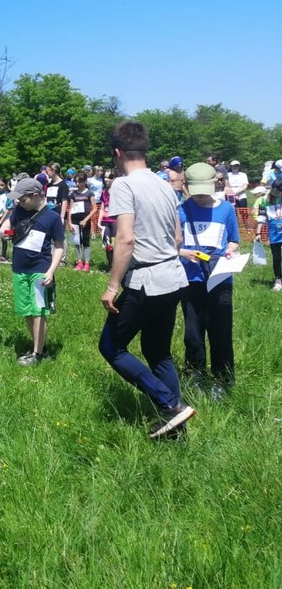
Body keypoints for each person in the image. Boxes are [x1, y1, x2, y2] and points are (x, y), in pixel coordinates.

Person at [98, 122, 194, 440]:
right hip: (173, 277)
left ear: (117, 152)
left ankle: (170, 405)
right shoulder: (164, 184)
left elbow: (125, 239)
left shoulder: (124, 186)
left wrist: (112, 286)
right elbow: (177, 238)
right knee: (158, 352)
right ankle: (175, 426)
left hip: (146, 280)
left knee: (111, 346)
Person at [178, 163, 240, 398]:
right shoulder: (181, 210)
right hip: (191, 279)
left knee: (221, 331)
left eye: (205, 191)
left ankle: (223, 379)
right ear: (187, 187)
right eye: (197, 192)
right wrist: (184, 253)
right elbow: (171, 244)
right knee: (193, 332)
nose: (201, 197)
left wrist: (229, 252)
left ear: (215, 184)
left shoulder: (226, 210)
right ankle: (195, 374)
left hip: (220, 278)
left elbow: (234, 241)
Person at [1, 178, 64, 365]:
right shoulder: (19, 211)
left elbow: (59, 246)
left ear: (36, 195)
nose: (20, 203)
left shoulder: (52, 218)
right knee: (27, 311)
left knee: (38, 311)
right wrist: (5, 231)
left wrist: (51, 271)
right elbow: (6, 226)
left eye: (23, 199)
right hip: (19, 269)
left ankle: (37, 354)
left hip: (40, 271)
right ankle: (39, 346)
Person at [252, 177, 282, 291]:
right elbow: (262, 217)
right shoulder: (265, 200)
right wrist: (258, 233)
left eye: (278, 191)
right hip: (274, 234)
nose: (275, 192)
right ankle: (278, 280)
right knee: (277, 258)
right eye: (274, 189)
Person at [67, 172, 98, 272]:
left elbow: (95, 208)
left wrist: (86, 220)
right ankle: (79, 262)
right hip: (75, 220)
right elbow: (70, 208)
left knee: (85, 241)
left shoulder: (89, 193)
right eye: (76, 182)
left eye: (79, 182)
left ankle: (87, 263)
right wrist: (69, 222)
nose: (77, 184)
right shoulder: (73, 194)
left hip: (85, 220)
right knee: (77, 241)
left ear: (84, 181)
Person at [97, 172, 118, 271]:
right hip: (105, 221)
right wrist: (99, 222)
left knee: (115, 244)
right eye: (105, 177)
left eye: (109, 177)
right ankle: (110, 266)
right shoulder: (104, 191)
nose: (106, 179)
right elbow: (102, 208)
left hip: (115, 221)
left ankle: (117, 266)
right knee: (107, 244)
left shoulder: (118, 191)